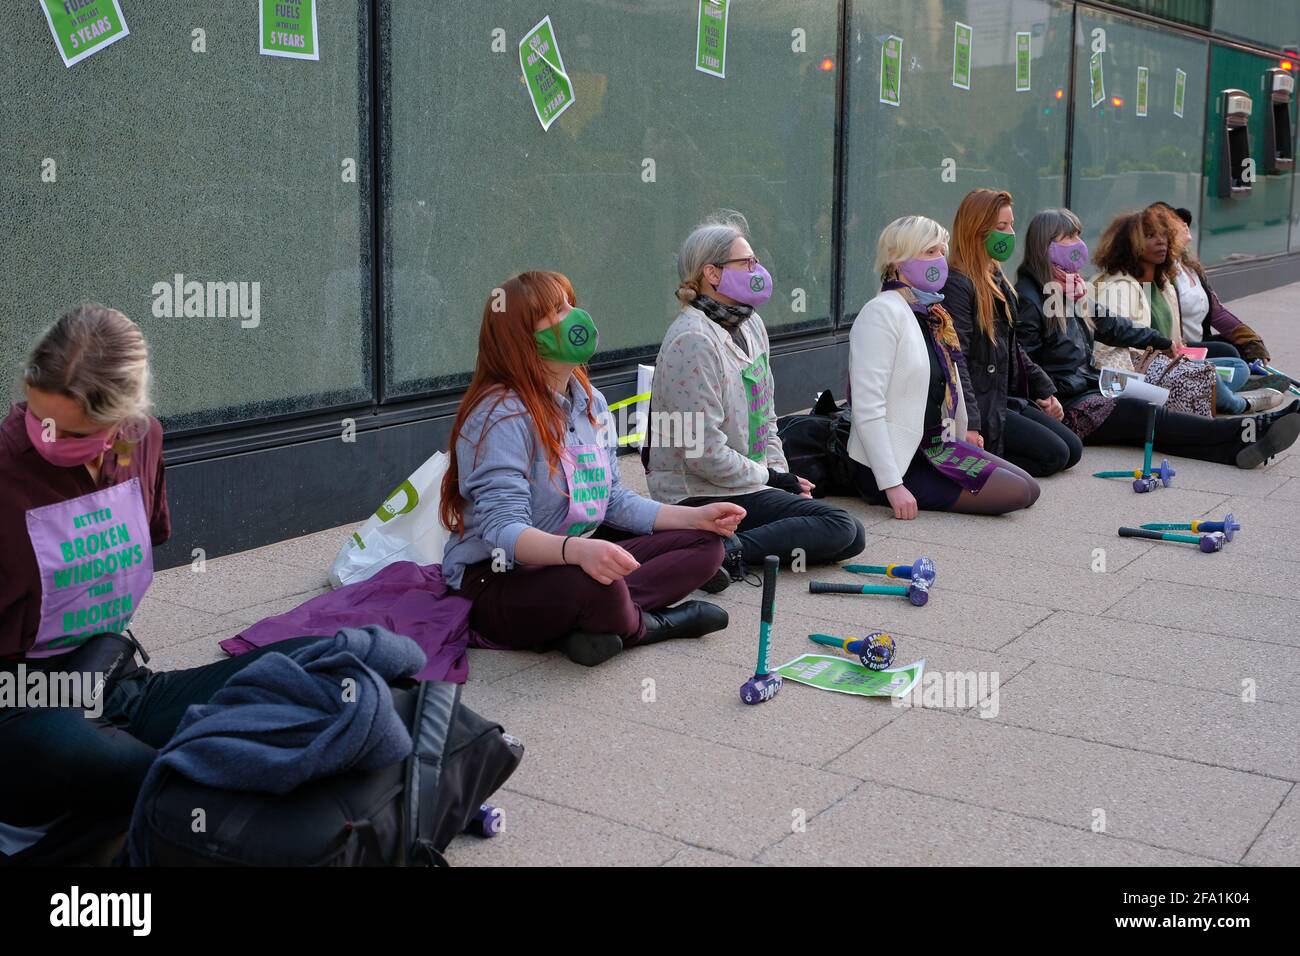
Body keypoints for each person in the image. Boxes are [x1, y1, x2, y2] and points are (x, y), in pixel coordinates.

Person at [0, 305, 327, 864]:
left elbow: (140, 536)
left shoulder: (140, 440)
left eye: (74, 431)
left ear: (120, 423)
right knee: (121, 763)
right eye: (37, 414)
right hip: (19, 702)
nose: (48, 435)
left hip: (114, 677)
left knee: (320, 666)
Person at [440, 270, 742, 668]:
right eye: (555, 311)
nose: (574, 315)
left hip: (569, 558)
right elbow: (502, 531)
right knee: (597, 586)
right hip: (496, 578)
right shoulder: (500, 415)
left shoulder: (591, 401)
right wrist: (577, 551)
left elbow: (613, 498)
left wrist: (695, 517)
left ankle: (587, 627)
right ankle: (651, 625)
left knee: (706, 547)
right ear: (521, 336)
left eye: (570, 304)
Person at [646, 212, 865, 588]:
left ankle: (719, 549)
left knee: (851, 536)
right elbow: (702, 454)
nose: (757, 268)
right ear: (712, 274)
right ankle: (717, 555)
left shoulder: (750, 324)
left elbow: (767, 419)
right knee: (840, 525)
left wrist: (784, 477)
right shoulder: (692, 340)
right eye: (746, 262)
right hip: (696, 492)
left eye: (755, 260)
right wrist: (772, 478)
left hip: (744, 480)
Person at [1014, 210, 1300, 468]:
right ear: (1046, 244)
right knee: (1146, 415)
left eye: (1078, 233)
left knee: (1155, 420)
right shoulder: (1030, 296)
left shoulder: (1071, 288)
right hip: (1068, 403)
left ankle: (1231, 450)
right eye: (1069, 236)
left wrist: (1160, 341)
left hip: (1090, 384)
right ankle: (1249, 429)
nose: (1078, 242)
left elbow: (1112, 325)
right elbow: (1023, 358)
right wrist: (1045, 396)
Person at [846, 215, 1040, 518]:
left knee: (1030, 489)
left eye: (941, 250)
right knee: (1015, 493)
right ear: (897, 261)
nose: (939, 259)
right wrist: (892, 485)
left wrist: (967, 431)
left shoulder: (932, 313)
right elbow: (867, 407)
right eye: (928, 251)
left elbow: (949, 381)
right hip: (898, 462)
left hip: (937, 445)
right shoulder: (881, 313)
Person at [941, 188, 1080, 477]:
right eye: (1001, 226)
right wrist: (971, 422)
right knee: (1054, 455)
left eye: (1011, 225)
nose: (1009, 233)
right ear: (977, 230)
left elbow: (1012, 347)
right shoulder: (958, 283)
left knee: (1072, 449)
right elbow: (957, 360)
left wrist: (1044, 390)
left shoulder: (996, 277)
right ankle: (979, 461)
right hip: (982, 403)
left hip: (1002, 397)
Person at [1092, 209, 1282, 414]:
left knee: (1236, 364)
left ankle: (1209, 393)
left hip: (1168, 360)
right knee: (1208, 375)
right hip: (1137, 371)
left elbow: (1212, 314)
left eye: (1163, 235)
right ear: (1128, 245)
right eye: (1150, 236)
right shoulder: (1119, 286)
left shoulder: (1163, 283)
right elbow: (1115, 344)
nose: (1161, 241)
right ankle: (1239, 404)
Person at [1153, 203, 1286, 389]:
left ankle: (1245, 378)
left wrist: (1251, 339)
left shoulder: (1190, 268)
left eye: (1186, 222)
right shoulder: (1160, 273)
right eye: (1178, 221)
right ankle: (1240, 385)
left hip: (1199, 343)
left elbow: (1217, 313)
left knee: (1240, 347)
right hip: (1179, 347)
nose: (1185, 224)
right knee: (1228, 351)